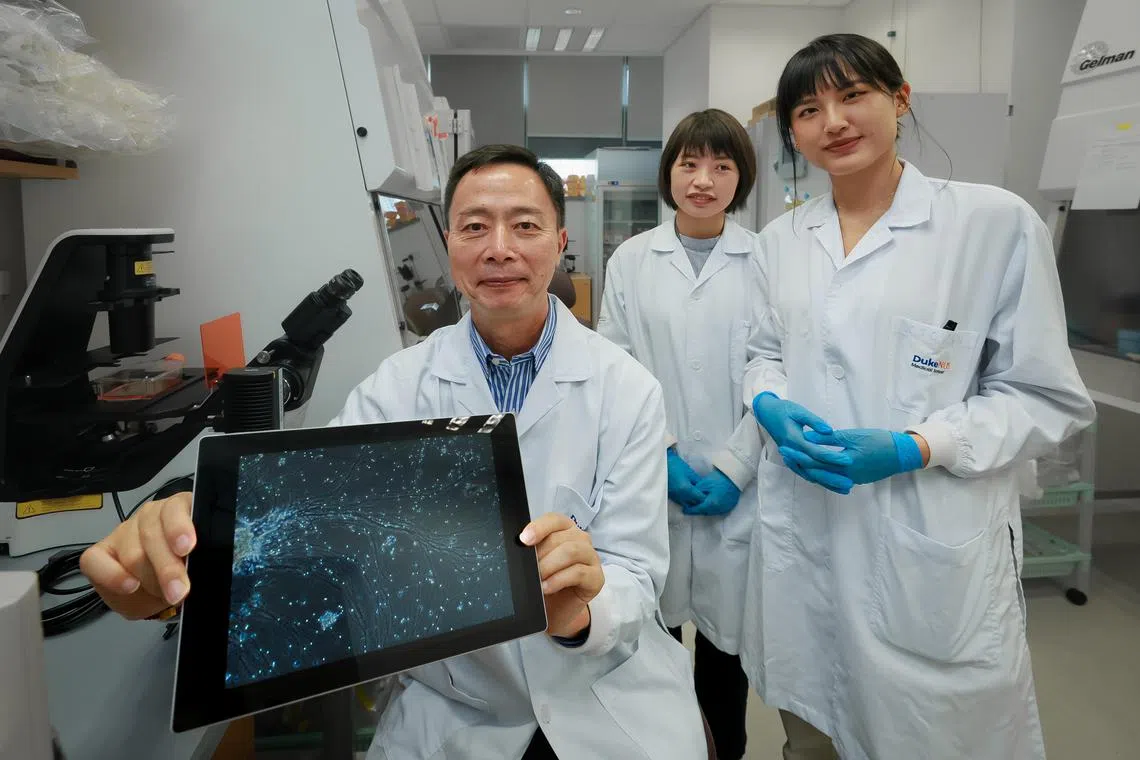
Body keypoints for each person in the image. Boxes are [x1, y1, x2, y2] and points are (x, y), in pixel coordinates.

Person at [79, 145, 708, 760]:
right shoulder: (397, 388)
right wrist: (178, 568)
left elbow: (636, 572)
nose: (499, 248)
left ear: (560, 241)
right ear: (450, 245)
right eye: (474, 227)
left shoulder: (626, 388)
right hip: (460, 709)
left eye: (525, 225)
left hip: (607, 698)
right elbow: (299, 524)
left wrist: (581, 611)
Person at [740, 33, 1096, 760]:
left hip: (928, 542)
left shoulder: (992, 225)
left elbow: (1044, 395)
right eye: (807, 110)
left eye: (853, 96)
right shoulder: (780, 240)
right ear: (792, 133)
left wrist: (918, 446)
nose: (833, 122)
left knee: (932, 736)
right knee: (811, 736)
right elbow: (763, 353)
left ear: (899, 99)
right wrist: (768, 402)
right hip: (805, 535)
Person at [597, 108, 771, 760]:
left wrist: (735, 467)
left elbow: (778, 371)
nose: (703, 180)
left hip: (741, 492)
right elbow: (616, 365)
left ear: (740, 177)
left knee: (727, 663)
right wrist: (662, 454)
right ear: (668, 172)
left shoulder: (766, 260)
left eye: (721, 166)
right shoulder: (633, 259)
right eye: (689, 163)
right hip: (652, 486)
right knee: (653, 650)